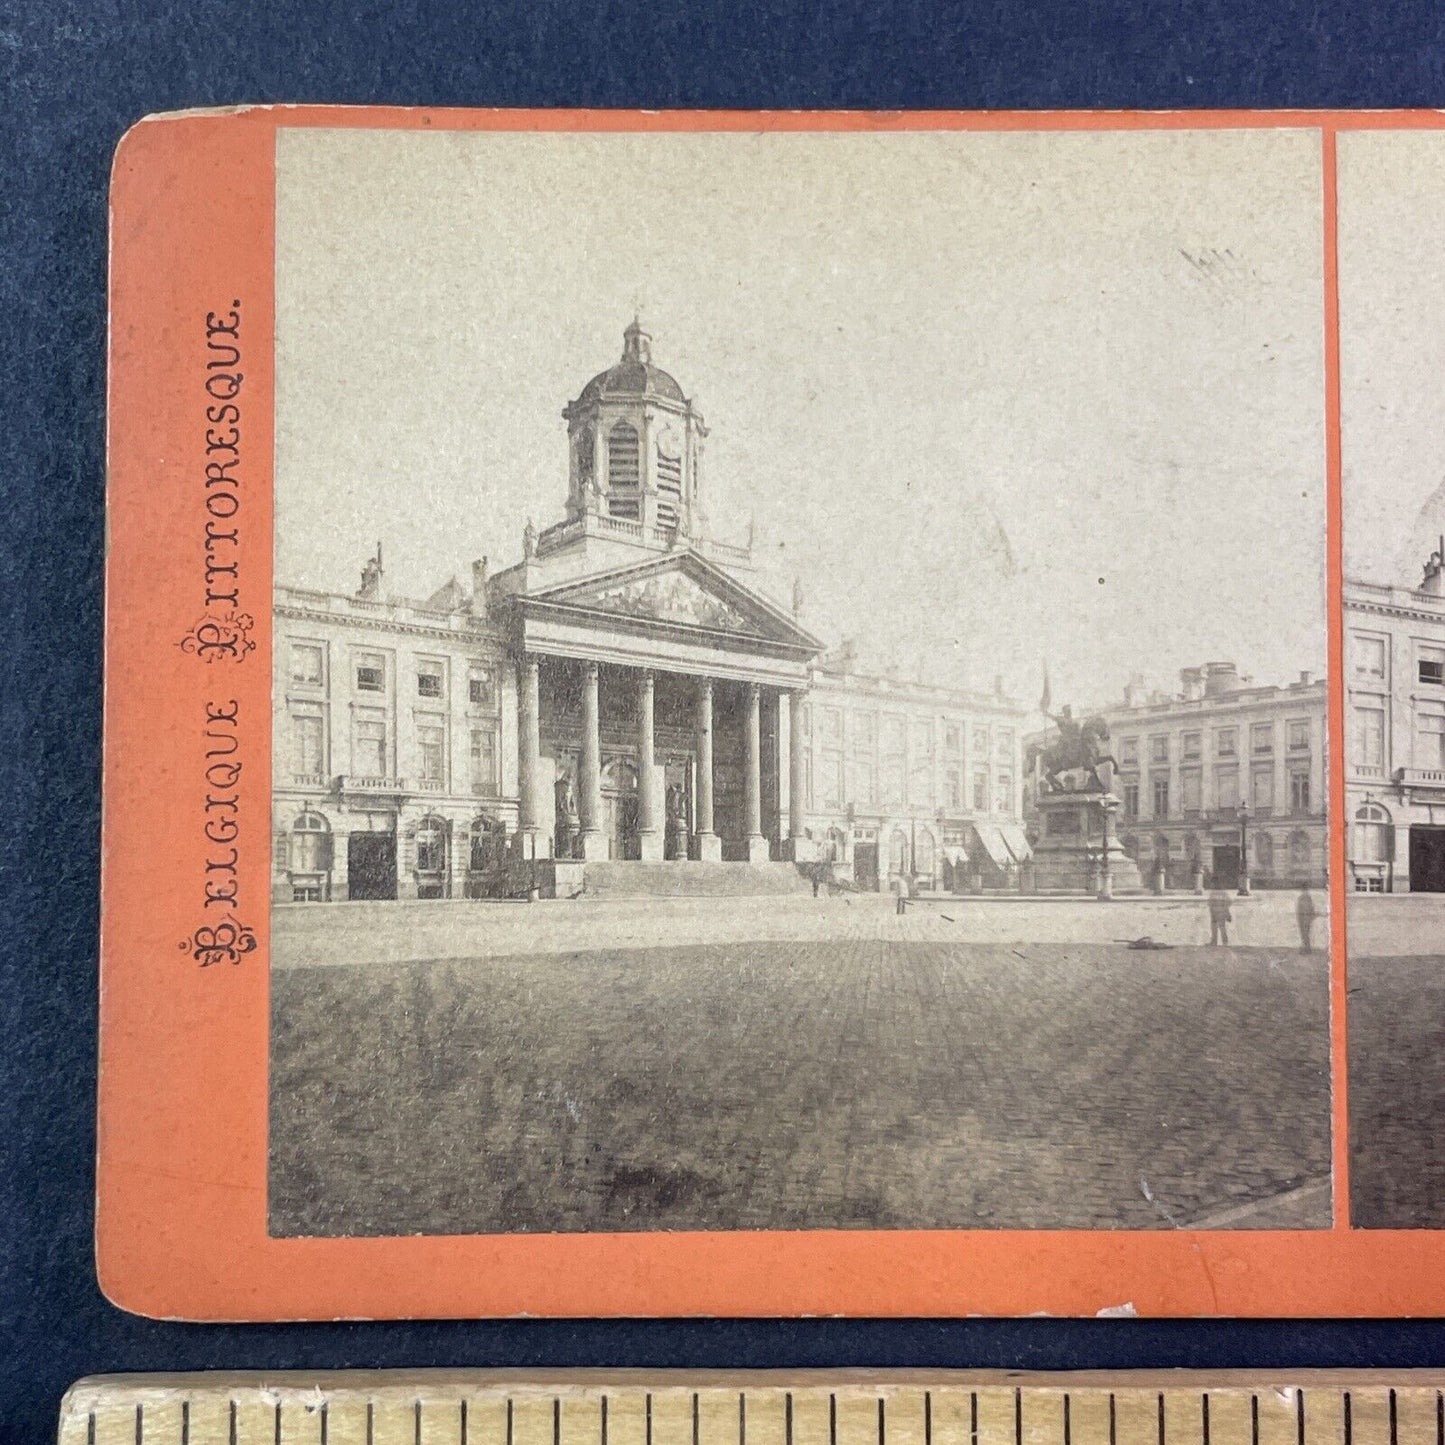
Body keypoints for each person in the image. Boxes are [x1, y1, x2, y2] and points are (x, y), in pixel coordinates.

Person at [1296, 885, 1319, 954]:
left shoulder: (1302, 898)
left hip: (1304, 918)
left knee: (1305, 934)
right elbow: (1311, 908)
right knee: (1305, 934)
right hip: (1305, 918)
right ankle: (1307, 948)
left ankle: (1306, 948)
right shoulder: (1307, 898)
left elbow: (1300, 909)